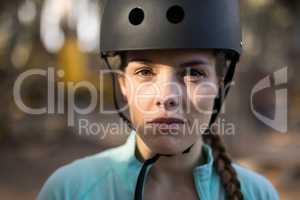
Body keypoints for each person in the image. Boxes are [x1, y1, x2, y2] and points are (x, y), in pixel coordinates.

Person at [38, 0, 280, 200]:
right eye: (145, 72)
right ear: (123, 85)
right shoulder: (68, 191)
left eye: (193, 73)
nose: (166, 97)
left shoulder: (258, 194)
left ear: (219, 85)